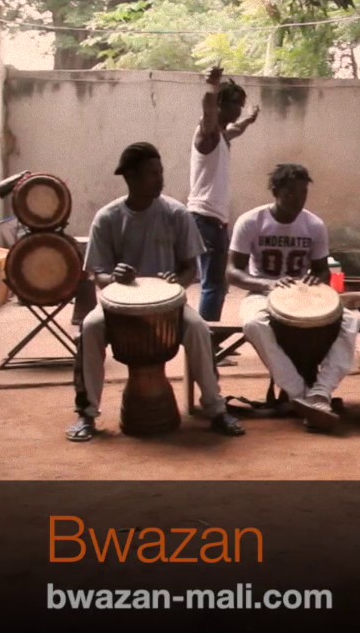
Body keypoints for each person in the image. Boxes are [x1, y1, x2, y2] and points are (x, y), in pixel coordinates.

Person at [67, 142, 246, 442]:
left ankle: (216, 410)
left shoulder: (177, 213)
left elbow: (191, 267)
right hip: (118, 309)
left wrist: (177, 279)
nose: (160, 179)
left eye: (160, 172)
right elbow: (98, 276)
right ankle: (87, 414)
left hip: (170, 307)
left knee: (200, 329)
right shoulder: (108, 218)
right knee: (89, 327)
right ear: (131, 178)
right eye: (152, 174)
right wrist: (114, 277)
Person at [228, 163, 360, 432]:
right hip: (263, 293)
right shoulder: (251, 221)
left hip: (304, 296)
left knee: (350, 321)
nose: (298, 200)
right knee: (254, 324)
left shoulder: (313, 224)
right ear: (275, 191)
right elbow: (232, 272)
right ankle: (300, 394)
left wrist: (318, 278)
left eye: (303, 194)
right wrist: (267, 284)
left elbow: (323, 270)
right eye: (291, 194)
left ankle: (320, 393)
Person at [189, 66, 260, 323]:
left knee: (217, 282)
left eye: (241, 105)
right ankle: (209, 341)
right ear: (221, 104)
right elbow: (208, 111)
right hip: (204, 217)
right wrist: (212, 85)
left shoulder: (221, 135)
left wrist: (249, 120)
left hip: (213, 218)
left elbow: (235, 130)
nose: (238, 109)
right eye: (235, 104)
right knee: (213, 283)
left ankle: (210, 337)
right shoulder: (207, 133)